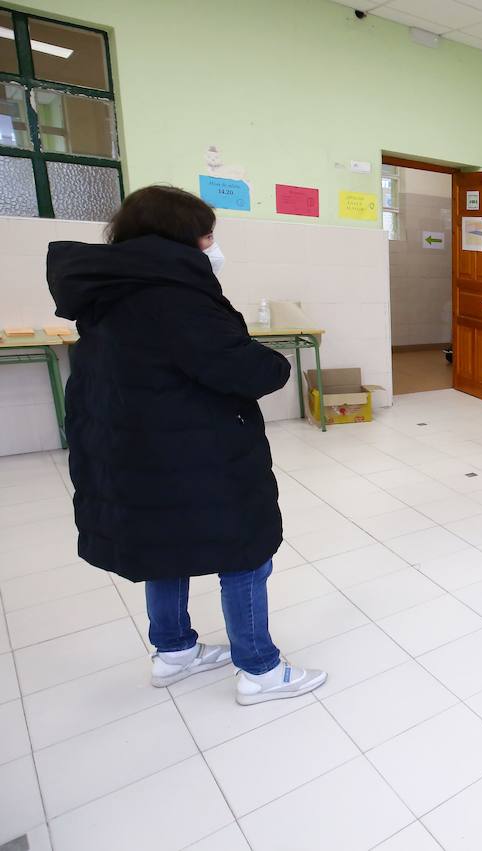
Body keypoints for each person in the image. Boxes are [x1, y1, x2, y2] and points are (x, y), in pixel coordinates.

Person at [47, 185, 326, 705]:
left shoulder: (110, 287)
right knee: (245, 549)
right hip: (194, 449)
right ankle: (260, 670)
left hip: (139, 448)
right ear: (183, 236)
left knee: (162, 545)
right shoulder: (172, 292)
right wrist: (275, 362)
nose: (212, 244)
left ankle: (173, 651)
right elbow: (235, 365)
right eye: (207, 233)